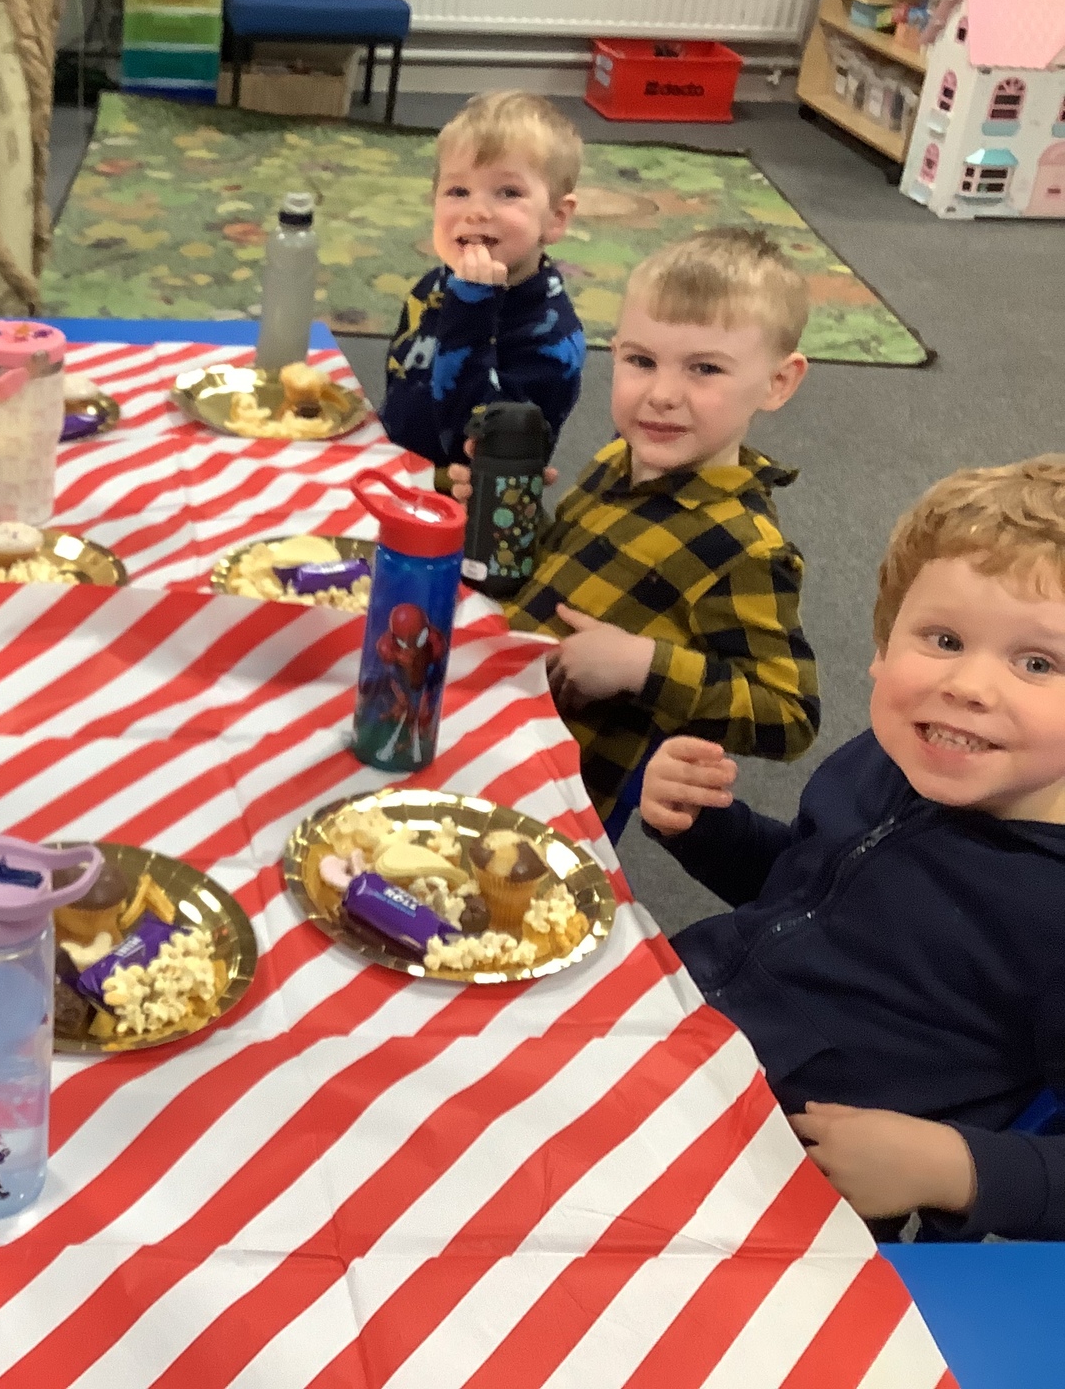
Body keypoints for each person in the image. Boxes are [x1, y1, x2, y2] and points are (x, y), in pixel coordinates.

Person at [642, 455, 1065, 1240]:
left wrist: (955, 1166)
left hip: (776, 1186)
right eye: (943, 639)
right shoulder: (897, 758)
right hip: (674, 1036)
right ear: (881, 645)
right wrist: (705, 829)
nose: (969, 686)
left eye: (1036, 662)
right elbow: (807, 890)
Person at [470, 227, 820, 819]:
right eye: (641, 361)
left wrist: (640, 665)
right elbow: (564, 569)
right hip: (489, 720)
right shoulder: (620, 458)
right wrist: (502, 518)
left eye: (704, 368)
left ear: (777, 382)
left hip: (550, 799)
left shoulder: (746, 548)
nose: (661, 394)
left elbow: (789, 716)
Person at [380, 90, 589, 472]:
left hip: (475, 502)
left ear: (556, 218)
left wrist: (471, 310)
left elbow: (476, 446)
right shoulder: (433, 287)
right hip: (396, 479)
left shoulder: (553, 336)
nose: (476, 211)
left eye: (509, 192)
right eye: (458, 191)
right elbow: (402, 390)